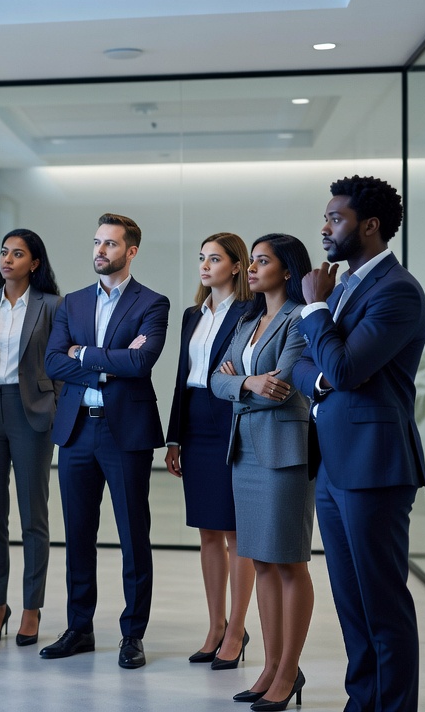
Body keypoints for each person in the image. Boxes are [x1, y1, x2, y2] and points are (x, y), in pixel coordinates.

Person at [292, 176, 425, 712]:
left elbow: (345, 365)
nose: (325, 228)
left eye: (336, 219)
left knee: (383, 604)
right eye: (326, 218)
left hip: (375, 466)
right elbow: (308, 365)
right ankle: (361, 702)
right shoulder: (343, 287)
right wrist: (324, 372)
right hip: (334, 464)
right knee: (352, 604)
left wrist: (315, 311)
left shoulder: (396, 291)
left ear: (369, 226)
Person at [41, 213, 169, 670]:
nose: (100, 251)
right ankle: (79, 628)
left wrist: (85, 354)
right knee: (78, 534)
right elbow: (54, 363)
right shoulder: (71, 303)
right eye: (97, 242)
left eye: (110, 244)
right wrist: (107, 363)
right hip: (77, 430)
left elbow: (143, 363)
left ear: (130, 251)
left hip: (126, 433)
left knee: (134, 534)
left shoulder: (153, 303)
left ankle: (132, 633)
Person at [211, 233, 315, 711]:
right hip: (245, 449)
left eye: (262, 261)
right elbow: (217, 378)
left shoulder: (299, 320)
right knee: (263, 562)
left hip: (283, 450)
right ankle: (272, 667)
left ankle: (288, 669)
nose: (251, 269)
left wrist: (243, 382)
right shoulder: (250, 320)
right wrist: (248, 381)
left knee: (289, 562)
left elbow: (287, 385)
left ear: (288, 270)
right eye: (250, 261)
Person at [0, 229, 62, 647]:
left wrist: (53, 401)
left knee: (33, 516)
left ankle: (30, 607)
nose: (7, 259)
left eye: (17, 254)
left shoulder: (53, 306)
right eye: (4, 252)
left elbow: (58, 360)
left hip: (32, 413)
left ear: (34, 263)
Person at [164, 232, 256, 669]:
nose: (204, 265)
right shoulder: (191, 315)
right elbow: (183, 375)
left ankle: (237, 629)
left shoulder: (251, 310)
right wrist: (174, 437)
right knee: (207, 532)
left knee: (237, 533)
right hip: (197, 420)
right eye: (201, 257)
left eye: (214, 258)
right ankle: (215, 624)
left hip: (232, 417)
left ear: (236, 266)